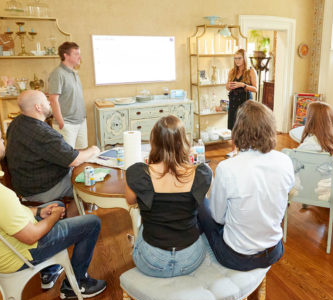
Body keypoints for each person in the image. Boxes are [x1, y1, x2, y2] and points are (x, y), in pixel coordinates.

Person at [0, 118, 106, 300]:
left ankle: (51, 268)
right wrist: (53, 217)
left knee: (56, 205)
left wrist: (37, 212)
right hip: (18, 256)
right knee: (91, 223)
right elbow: (31, 236)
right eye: (0, 138)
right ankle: (76, 284)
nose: (4, 141)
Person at [197, 101, 294, 271]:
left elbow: (218, 218)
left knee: (201, 205)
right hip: (274, 250)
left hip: (237, 257)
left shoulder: (227, 169)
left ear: (238, 129)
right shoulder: (285, 161)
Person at [125, 115, 212, 277]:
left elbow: (130, 201)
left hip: (152, 261)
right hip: (190, 259)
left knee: (143, 225)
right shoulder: (201, 173)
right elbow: (202, 199)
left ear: (154, 142)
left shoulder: (138, 173)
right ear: (184, 142)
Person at [6, 90, 100, 204]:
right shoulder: (42, 133)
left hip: (26, 184)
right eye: (46, 100)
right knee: (90, 183)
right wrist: (93, 150)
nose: (50, 103)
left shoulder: (16, 123)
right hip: (42, 189)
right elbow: (74, 160)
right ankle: (73, 217)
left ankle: (71, 213)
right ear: (38, 107)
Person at [48, 42, 87, 148]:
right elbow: (53, 100)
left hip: (80, 121)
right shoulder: (58, 73)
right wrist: (61, 122)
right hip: (67, 124)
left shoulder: (74, 73)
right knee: (68, 159)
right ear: (66, 55)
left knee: (81, 154)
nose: (80, 57)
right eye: (76, 54)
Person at [225, 48, 257, 157]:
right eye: (235, 58)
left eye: (239, 58)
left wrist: (243, 85)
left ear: (244, 58)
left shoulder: (251, 71)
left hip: (245, 102)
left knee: (245, 125)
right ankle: (234, 150)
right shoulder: (232, 71)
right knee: (234, 126)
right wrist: (229, 86)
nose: (237, 61)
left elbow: (255, 89)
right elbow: (227, 87)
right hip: (234, 101)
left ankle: (247, 149)